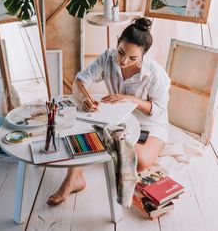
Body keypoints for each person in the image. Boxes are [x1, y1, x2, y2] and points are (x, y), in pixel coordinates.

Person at [47, 17, 171, 205]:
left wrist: (131, 99)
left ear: (144, 55)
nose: (123, 60)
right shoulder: (108, 57)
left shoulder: (155, 73)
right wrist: (85, 98)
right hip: (118, 118)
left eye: (133, 58)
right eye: (121, 52)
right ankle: (74, 177)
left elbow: (158, 109)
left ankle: (109, 149)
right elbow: (80, 81)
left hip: (149, 122)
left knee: (142, 162)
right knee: (82, 125)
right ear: (117, 42)